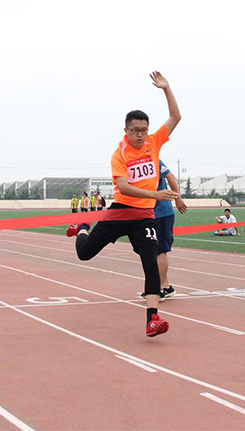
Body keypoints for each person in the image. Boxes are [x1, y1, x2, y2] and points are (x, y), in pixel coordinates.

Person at [66, 70, 181, 337]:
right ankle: (83, 225)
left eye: (144, 130)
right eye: (135, 131)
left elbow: (176, 117)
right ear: (126, 130)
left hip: (144, 217)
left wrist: (166, 88)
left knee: (150, 261)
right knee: (85, 254)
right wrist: (155, 195)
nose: (140, 135)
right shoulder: (120, 154)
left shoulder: (154, 143)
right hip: (120, 211)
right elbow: (125, 186)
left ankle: (152, 319)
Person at [152, 160, 187, 301]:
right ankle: (166, 286)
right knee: (153, 250)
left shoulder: (154, 160)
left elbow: (170, 177)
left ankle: (160, 288)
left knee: (160, 250)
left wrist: (177, 197)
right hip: (150, 212)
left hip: (162, 212)